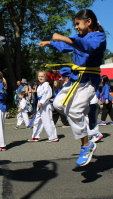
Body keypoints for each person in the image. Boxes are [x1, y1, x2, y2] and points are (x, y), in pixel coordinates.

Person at [39, 9, 107, 166]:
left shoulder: (98, 37)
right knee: (57, 104)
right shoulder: (79, 38)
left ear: (88, 22)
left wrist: (64, 38)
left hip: (89, 79)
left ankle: (86, 145)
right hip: (76, 79)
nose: (76, 27)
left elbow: (87, 47)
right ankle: (88, 112)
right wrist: (50, 42)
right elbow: (65, 46)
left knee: (74, 111)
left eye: (78, 24)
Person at [30, 71, 58, 142]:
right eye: (39, 76)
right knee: (37, 120)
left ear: (45, 77)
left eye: (42, 76)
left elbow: (47, 95)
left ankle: (52, 137)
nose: (40, 78)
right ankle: (35, 136)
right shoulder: (40, 86)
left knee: (47, 121)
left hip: (45, 105)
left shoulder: (46, 85)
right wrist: (40, 103)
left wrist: (42, 102)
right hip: (40, 105)